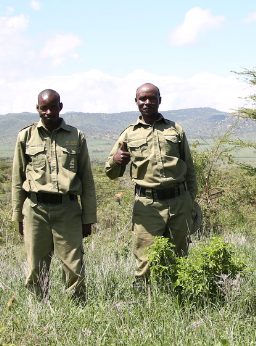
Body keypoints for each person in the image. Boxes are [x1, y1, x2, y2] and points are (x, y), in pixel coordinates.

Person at [105, 83, 198, 288]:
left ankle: (178, 297)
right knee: (145, 260)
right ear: (136, 101)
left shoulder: (175, 129)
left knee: (179, 256)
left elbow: (189, 167)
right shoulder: (129, 134)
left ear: (159, 100)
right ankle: (143, 299)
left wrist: (191, 200)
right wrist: (116, 161)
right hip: (147, 205)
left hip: (179, 202)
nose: (147, 102)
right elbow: (110, 173)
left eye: (152, 98)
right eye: (143, 99)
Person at [11, 89, 97, 301]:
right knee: (35, 266)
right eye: (43, 108)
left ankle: (77, 307)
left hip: (68, 209)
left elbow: (87, 180)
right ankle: (38, 308)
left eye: (52, 107)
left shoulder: (76, 136)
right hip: (35, 210)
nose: (48, 112)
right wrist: (18, 216)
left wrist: (88, 218)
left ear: (60, 107)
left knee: (74, 266)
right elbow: (17, 179)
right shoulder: (26, 136)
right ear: (37, 109)